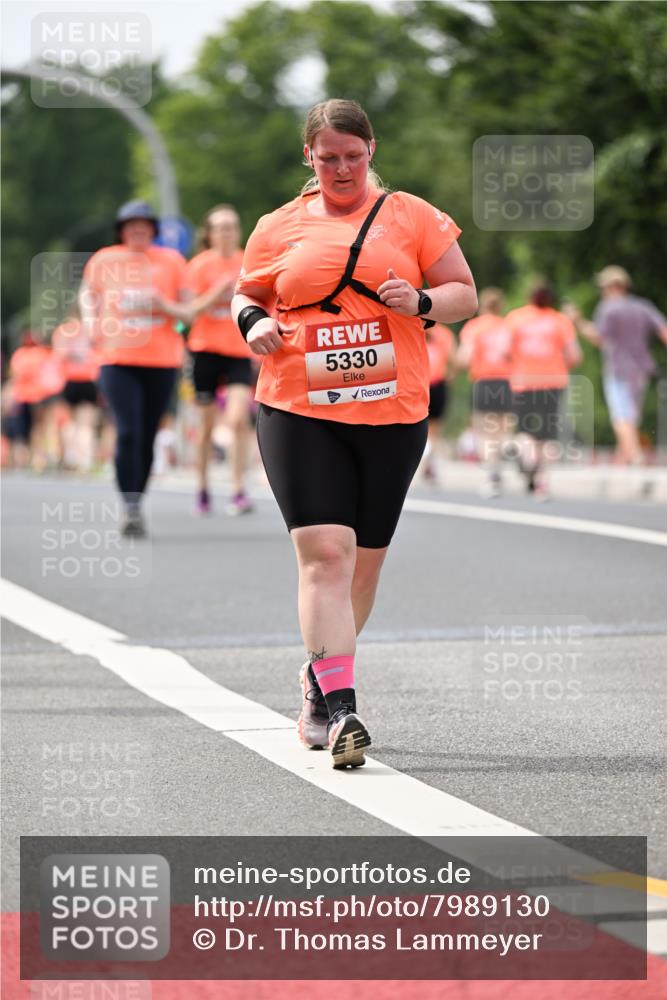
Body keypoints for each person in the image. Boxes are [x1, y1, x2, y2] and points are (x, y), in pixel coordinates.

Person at [232, 99, 477, 768]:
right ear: (308, 157)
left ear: (371, 151)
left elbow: (464, 292)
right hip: (295, 405)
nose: (341, 168)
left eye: (353, 156)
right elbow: (247, 292)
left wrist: (421, 302)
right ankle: (342, 710)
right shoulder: (277, 224)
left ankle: (318, 679)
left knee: (362, 565)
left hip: (390, 411)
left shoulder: (412, 215)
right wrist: (253, 325)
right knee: (326, 556)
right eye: (328, 156)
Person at [79, 200, 189, 536]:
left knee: (147, 434)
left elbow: (187, 312)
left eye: (144, 224)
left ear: (154, 229)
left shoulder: (171, 261)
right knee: (128, 431)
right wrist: (90, 324)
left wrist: (163, 304)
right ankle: (128, 505)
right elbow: (87, 295)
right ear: (121, 230)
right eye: (131, 225)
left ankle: (137, 502)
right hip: (116, 358)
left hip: (161, 360)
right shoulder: (104, 259)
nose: (138, 229)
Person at [185, 205, 256, 515]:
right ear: (209, 233)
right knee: (206, 425)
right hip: (205, 350)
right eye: (221, 227)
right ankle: (202, 486)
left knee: (239, 419)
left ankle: (238, 489)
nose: (227, 232)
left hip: (239, 351)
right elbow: (186, 313)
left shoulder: (248, 262)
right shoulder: (198, 266)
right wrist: (215, 294)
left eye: (232, 226)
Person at [565, 266, 667, 465]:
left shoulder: (608, 308)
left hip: (618, 369)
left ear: (613, 286)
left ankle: (636, 458)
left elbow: (598, 337)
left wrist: (578, 321)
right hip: (641, 369)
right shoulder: (642, 306)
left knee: (621, 417)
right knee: (631, 416)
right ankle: (623, 460)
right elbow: (663, 330)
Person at [505, 282, 582, 498]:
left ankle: (529, 461)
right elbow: (575, 356)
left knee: (524, 430)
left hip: (523, 382)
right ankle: (542, 481)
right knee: (547, 433)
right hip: (553, 382)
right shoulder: (560, 321)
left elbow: (504, 351)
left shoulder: (516, 318)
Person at [457, 288, 513, 497]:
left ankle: (492, 473)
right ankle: (503, 454)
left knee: (483, 430)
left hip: (484, 380)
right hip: (506, 380)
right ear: (500, 305)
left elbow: (465, 357)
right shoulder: (507, 326)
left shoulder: (475, 327)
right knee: (502, 426)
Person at [52, 305, 101, 473]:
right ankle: (85, 460)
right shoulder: (92, 331)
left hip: (70, 380)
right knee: (86, 424)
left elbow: (58, 356)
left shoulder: (63, 332)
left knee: (70, 422)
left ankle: (71, 456)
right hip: (88, 379)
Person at [7, 330, 65, 470]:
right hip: (42, 395)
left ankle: (36, 457)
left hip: (25, 396)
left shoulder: (18, 355)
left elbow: (15, 376)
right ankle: (45, 457)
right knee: (45, 426)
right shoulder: (42, 353)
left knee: (33, 428)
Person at [421, 323, 456, 482]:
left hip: (419, 382)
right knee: (435, 429)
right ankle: (429, 460)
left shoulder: (415, 326)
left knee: (419, 425)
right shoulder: (444, 333)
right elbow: (454, 360)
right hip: (438, 383)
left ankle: (425, 458)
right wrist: (450, 377)